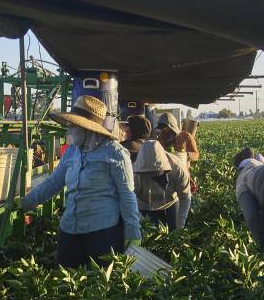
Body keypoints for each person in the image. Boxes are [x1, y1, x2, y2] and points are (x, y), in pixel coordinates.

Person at [20, 96, 140, 268]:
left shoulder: (115, 154)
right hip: (69, 230)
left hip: (102, 234)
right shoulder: (71, 152)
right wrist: (25, 203)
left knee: (99, 286)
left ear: (87, 128)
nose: (69, 130)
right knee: (66, 283)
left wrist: (133, 231)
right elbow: (53, 183)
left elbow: (127, 194)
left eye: (73, 126)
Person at [132, 140, 190, 230]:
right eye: (149, 173)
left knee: (174, 231)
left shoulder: (178, 169)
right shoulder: (133, 174)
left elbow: (185, 197)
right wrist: (140, 218)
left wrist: (180, 224)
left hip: (170, 203)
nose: (152, 176)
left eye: (156, 173)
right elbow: (129, 198)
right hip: (144, 204)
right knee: (150, 235)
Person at [155, 113, 199, 228]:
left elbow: (196, 154)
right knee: (171, 207)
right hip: (166, 178)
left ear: (172, 126)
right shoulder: (160, 139)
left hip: (182, 176)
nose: (164, 132)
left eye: (166, 128)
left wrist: (187, 155)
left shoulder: (186, 136)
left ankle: (181, 228)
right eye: (162, 129)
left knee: (184, 204)